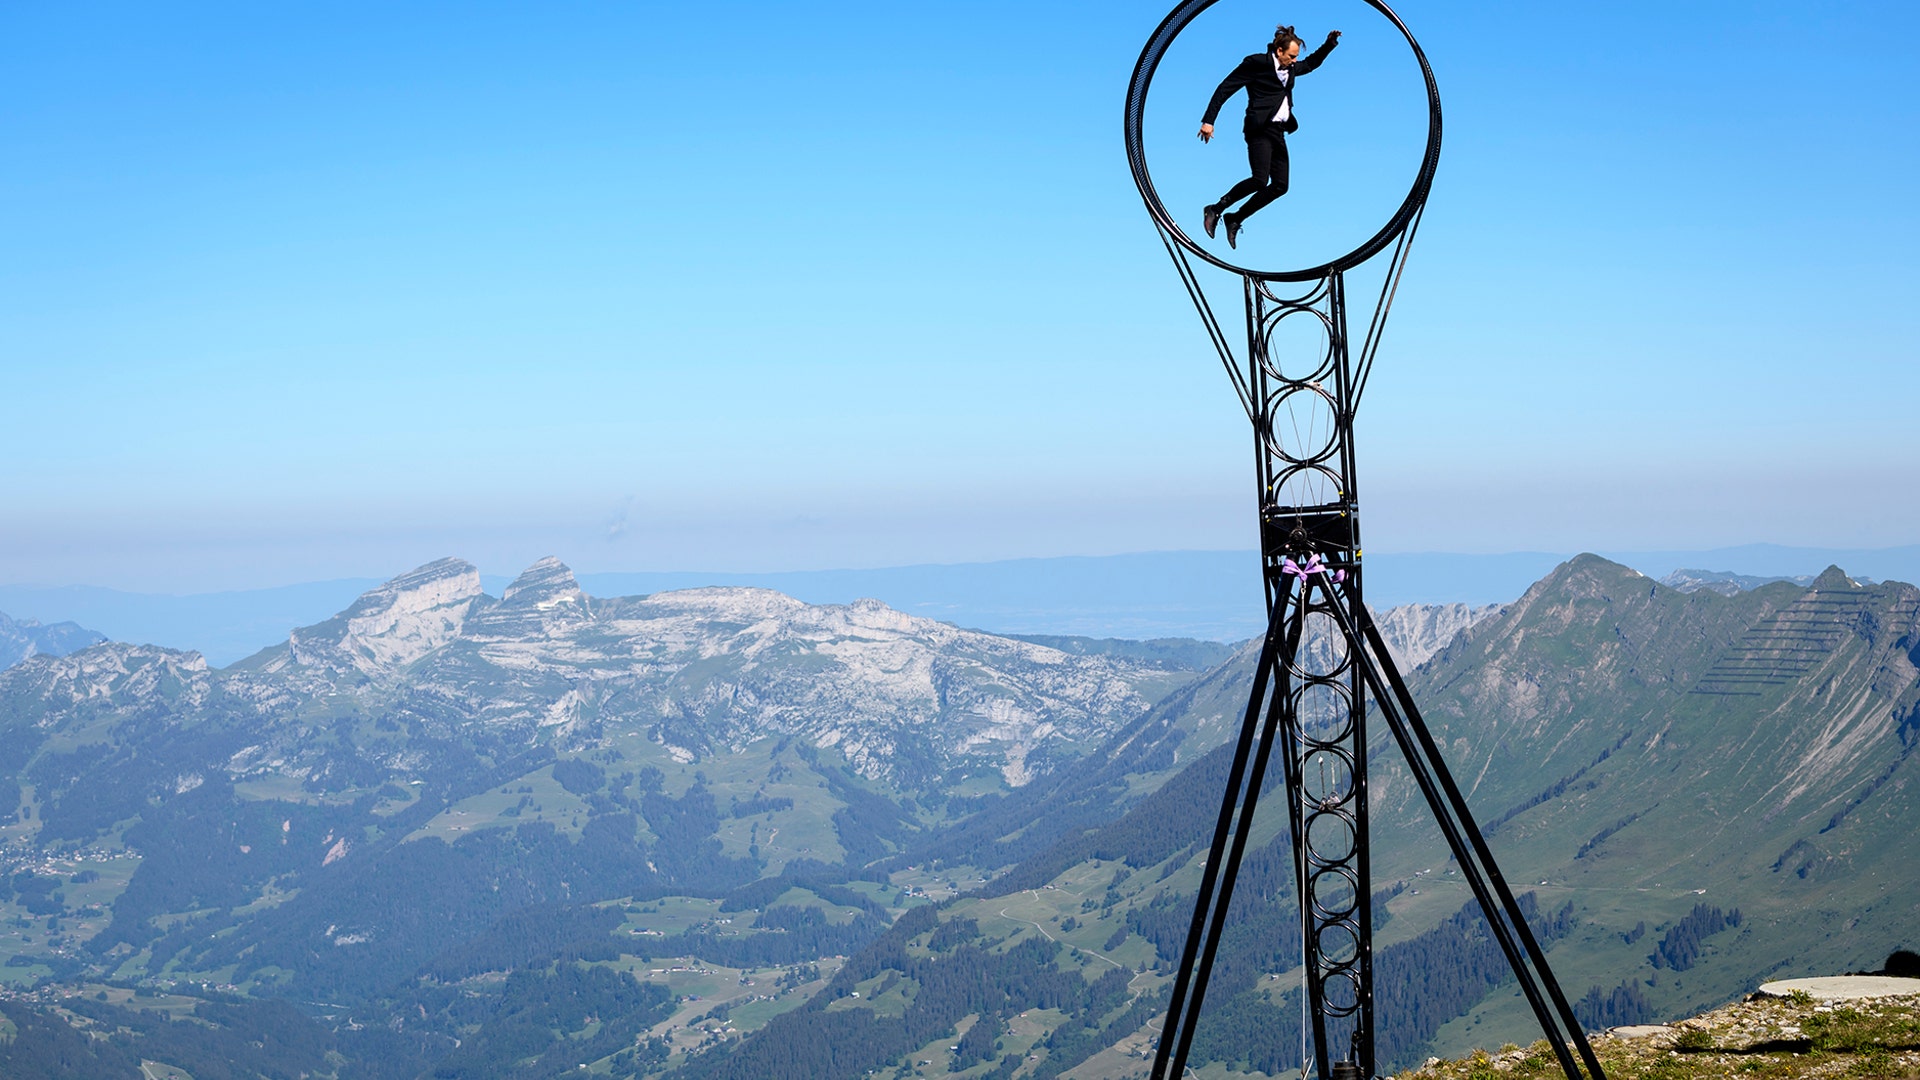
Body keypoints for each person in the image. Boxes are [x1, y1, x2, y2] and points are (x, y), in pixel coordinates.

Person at [1198, 24, 1341, 249]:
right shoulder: (1257, 63)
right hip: (1259, 129)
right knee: (1259, 179)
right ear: (1279, 52)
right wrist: (1209, 120)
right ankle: (1216, 208)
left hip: (1278, 132)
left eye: (1296, 57)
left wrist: (1329, 45)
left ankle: (1235, 218)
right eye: (1291, 56)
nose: (1294, 61)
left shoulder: (1291, 68)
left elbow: (1311, 63)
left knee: (1280, 186)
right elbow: (1225, 87)